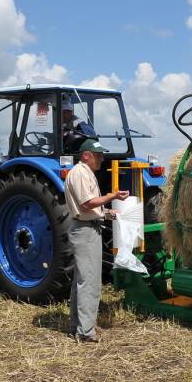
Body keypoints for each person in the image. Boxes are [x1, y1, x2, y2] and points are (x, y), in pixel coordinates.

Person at [64, 139, 129, 342]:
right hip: (85, 231)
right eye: (97, 154)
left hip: (88, 227)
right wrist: (112, 195)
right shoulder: (80, 173)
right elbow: (86, 204)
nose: (102, 158)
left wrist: (108, 213)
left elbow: (92, 208)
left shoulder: (84, 173)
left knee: (82, 280)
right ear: (86, 155)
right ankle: (85, 332)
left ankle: (79, 326)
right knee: (89, 281)